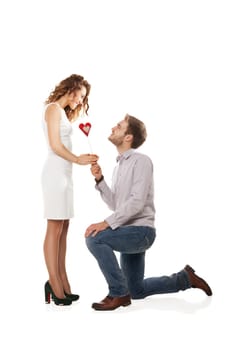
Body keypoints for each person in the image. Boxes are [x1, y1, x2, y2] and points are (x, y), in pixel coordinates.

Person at [85, 114, 212, 311]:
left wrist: (105, 223)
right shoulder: (119, 166)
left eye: (119, 126)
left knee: (95, 238)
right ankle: (185, 279)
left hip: (141, 232)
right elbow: (116, 205)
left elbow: (137, 203)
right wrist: (100, 180)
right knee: (136, 290)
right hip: (128, 230)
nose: (113, 128)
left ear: (128, 137)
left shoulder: (141, 161)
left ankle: (118, 293)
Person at [41, 74, 98, 306]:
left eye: (84, 98)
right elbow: (55, 145)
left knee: (63, 228)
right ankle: (54, 283)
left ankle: (62, 281)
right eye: (80, 95)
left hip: (65, 175)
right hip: (55, 174)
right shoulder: (53, 109)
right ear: (71, 89)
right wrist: (78, 159)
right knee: (54, 227)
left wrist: (79, 160)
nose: (81, 101)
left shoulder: (61, 113)